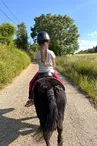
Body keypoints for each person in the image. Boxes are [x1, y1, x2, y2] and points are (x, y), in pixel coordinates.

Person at [25, 31, 63, 107]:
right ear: (48, 42)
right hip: (51, 72)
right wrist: (51, 66)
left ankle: (31, 99)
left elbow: (36, 62)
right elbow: (54, 65)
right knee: (60, 83)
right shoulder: (51, 52)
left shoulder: (37, 53)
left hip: (40, 72)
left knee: (31, 83)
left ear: (39, 43)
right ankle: (61, 98)